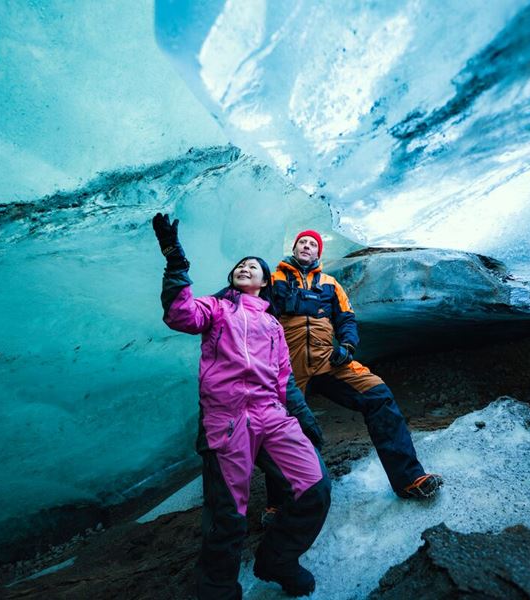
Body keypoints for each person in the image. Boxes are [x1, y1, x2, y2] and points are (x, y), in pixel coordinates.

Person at [153, 213, 330, 599]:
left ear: (265, 282)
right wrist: (175, 262)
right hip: (227, 421)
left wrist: (305, 419)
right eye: (240, 265)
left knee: (315, 487)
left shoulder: (272, 325)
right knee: (227, 516)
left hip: (273, 417)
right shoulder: (215, 309)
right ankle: (217, 588)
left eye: (253, 266)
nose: (244, 267)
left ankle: (278, 560)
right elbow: (179, 315)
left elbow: (285, 380)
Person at [267, 229, 442, 508]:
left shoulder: (330, 284)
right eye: (303, 242)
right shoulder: (273, 279)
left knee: (379, 395)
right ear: (294, 248)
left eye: (313, 244)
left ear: (318, 253)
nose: (307, 246)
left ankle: (410, 479)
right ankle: (279, 503)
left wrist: (347, 347)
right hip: (287, 366)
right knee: (279, 428)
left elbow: (346, 318)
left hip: (327, 359)